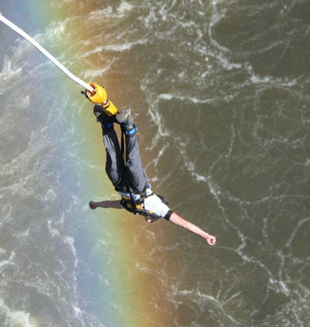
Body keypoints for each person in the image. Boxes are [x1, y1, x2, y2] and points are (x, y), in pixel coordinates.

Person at [88, 105, 217, 246]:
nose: (149, 221)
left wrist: (97, 204)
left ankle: (106, 124)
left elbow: (111, 204)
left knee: (111, 161)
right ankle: (128, 125)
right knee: (132, 162)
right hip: (139, 186)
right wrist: (205, 235)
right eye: (151, 220)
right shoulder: (159, 208)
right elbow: (184, 223)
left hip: (120, 184)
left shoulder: (132, 208)